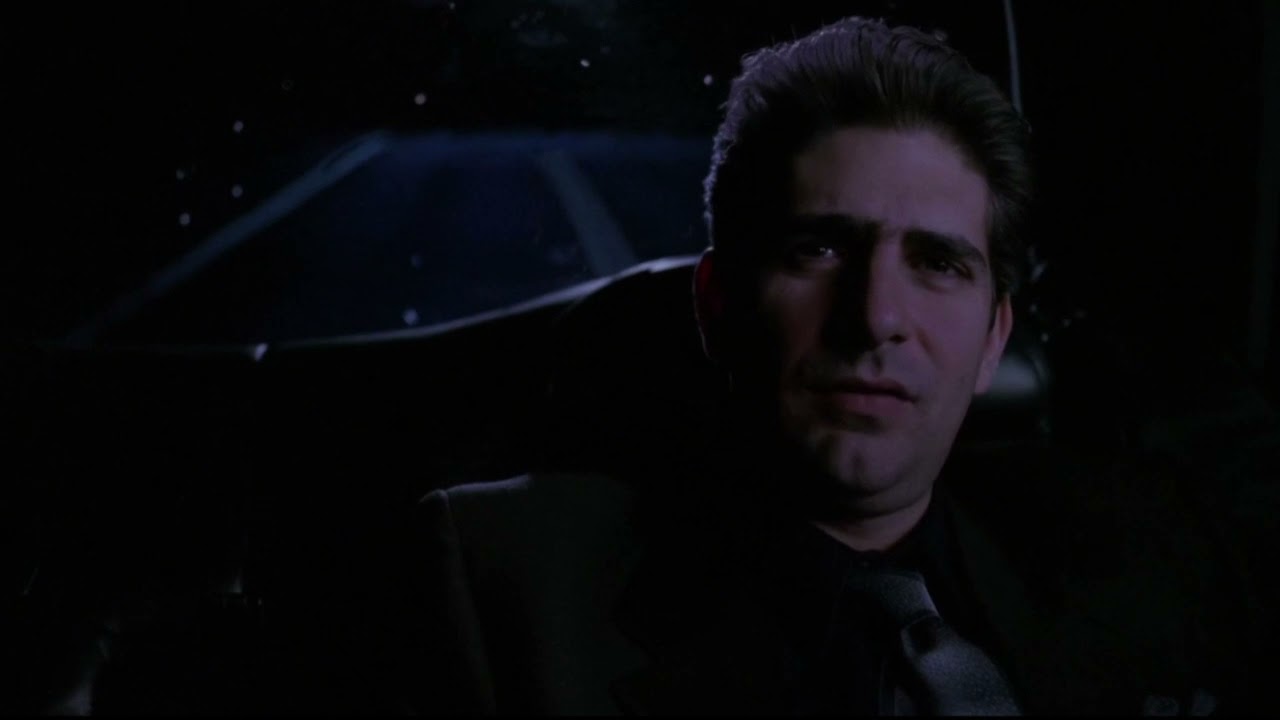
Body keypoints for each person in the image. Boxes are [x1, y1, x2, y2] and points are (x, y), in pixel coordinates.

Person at [400, 16, 1262, 715]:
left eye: (938, 263)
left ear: (994, 338)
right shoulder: (506, 587)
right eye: (817, 249)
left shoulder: (1154, 550)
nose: (875, 318)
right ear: (717, 303)